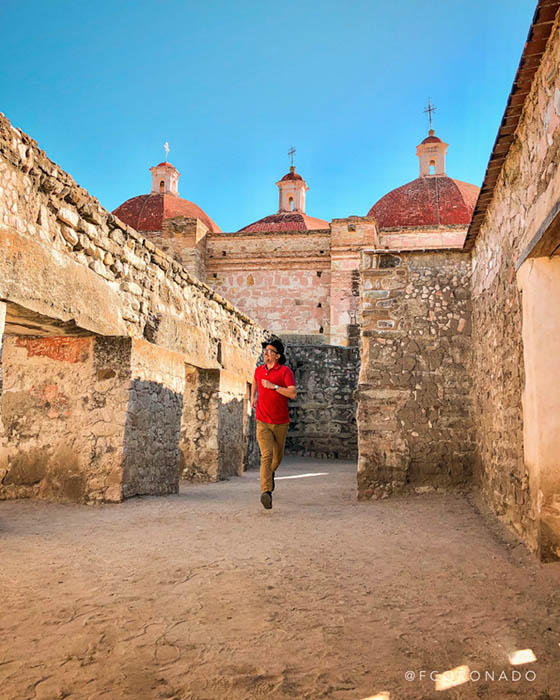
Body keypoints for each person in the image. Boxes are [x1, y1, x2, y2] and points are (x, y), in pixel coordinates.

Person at [251, 337, 297, 509]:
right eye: (265, 351)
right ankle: (266, 491)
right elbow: (255, 381)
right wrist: (252, 398)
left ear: (277, 356)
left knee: (277, 458)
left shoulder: (285, 372)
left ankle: (270, 476)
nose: (266, 353)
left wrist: (274, 387)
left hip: (280, 422)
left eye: (270, 351)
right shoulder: (259, 370)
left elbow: (292, 393)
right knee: (266, 455)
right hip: (262, 420)